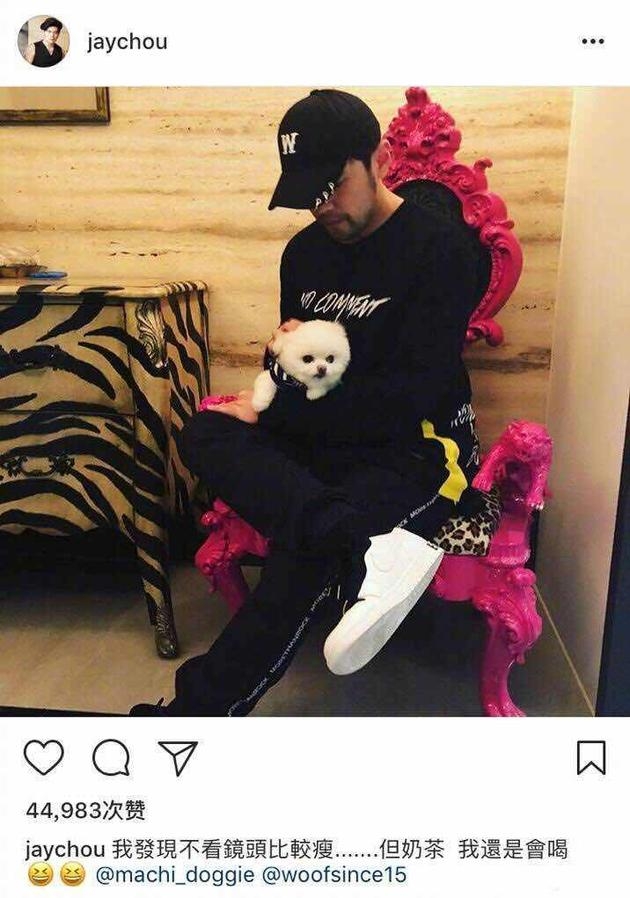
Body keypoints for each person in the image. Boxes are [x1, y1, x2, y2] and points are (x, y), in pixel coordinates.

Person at [131, 89, 482, 716]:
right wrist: (272, 385)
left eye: (333, 185)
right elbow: (294, 361)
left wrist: (283, 412)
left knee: (305, 546)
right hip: (322, 435)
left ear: (378, 157)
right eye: (307, 193)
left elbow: (409, 398)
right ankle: (365, 546)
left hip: (416, 446)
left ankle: (194, 717)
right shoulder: (304, 253)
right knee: (206, 431)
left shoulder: (444, 250)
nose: (321, 206)